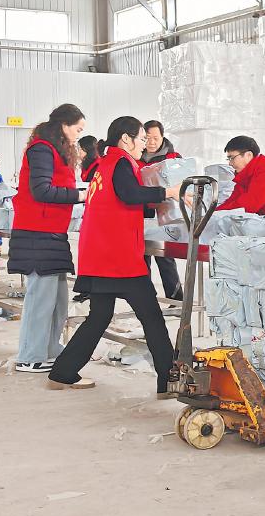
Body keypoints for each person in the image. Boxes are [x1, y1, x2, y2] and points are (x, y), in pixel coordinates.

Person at [48, 116, 180, 392]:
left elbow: (124, 199)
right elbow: (130, 194)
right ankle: (169, 379)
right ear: (125, 139)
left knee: (99, 317)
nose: (144, 144)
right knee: (152, 317)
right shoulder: (120, 162)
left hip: (100, 255)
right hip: (118, 258)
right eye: (141, 139)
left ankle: (63, 372)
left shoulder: (105, 164)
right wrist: (170, 192)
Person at [8, 105, 87, 373]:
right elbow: (41, 190)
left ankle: (50, 350)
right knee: (40, 299)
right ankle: (30, 356)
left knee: (57, 300)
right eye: (77, 129)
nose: (78, 135)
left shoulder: (56, 151)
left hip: (52, 231)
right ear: (64, 125)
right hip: (36, 232)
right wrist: (80, 195)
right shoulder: (41, 149)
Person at [139, 120, 184, 301]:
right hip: (141, 210)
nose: (151, 142)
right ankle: (146, 298)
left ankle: (175, 298)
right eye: (147, 138)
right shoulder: (136, 156)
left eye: (155, 138)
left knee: (165, 255)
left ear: (163, 137)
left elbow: (181, 184)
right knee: (142, 255)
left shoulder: (173, 157)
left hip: (165, 211)